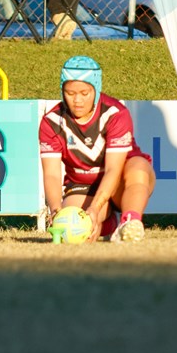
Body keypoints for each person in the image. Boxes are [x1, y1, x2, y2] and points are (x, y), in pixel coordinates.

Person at [39, 55, 155, 241]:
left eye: (84, 93)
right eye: (70, 93)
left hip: (120, 180)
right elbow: (51, 174)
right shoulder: (51, 121)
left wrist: (94, 207)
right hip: (82, 185)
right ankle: (108, 224)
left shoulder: (116, 114)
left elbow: (113, 170)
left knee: (139, 167)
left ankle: (130, 222)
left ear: (96, 89)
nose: (77, 100)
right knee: (74, 227)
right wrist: (55, 210)